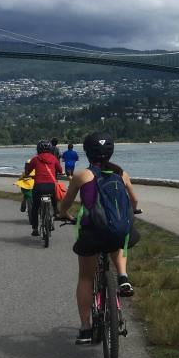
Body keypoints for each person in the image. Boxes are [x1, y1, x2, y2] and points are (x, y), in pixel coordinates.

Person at [58, 132, 140, 346]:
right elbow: (134, 201)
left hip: (92, 233)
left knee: (86, 278)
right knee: (118, 237)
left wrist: (64, 214)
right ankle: (123, 276)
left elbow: (65, 204)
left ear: (87, 152)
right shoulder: (121, 174)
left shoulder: (82, 176)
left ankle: (86, 328)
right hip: (117, 232)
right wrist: (133, 212)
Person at [25, 140, 63, 236]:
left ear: (38, 149)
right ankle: (55, 213)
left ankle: (35, 229)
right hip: (51, 186)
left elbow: (28, 171)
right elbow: (60, 170)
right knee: (54, 201)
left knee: (35, 207)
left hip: (39, 186)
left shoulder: (35, 159)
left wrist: (28, 174)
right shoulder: (53, 158)